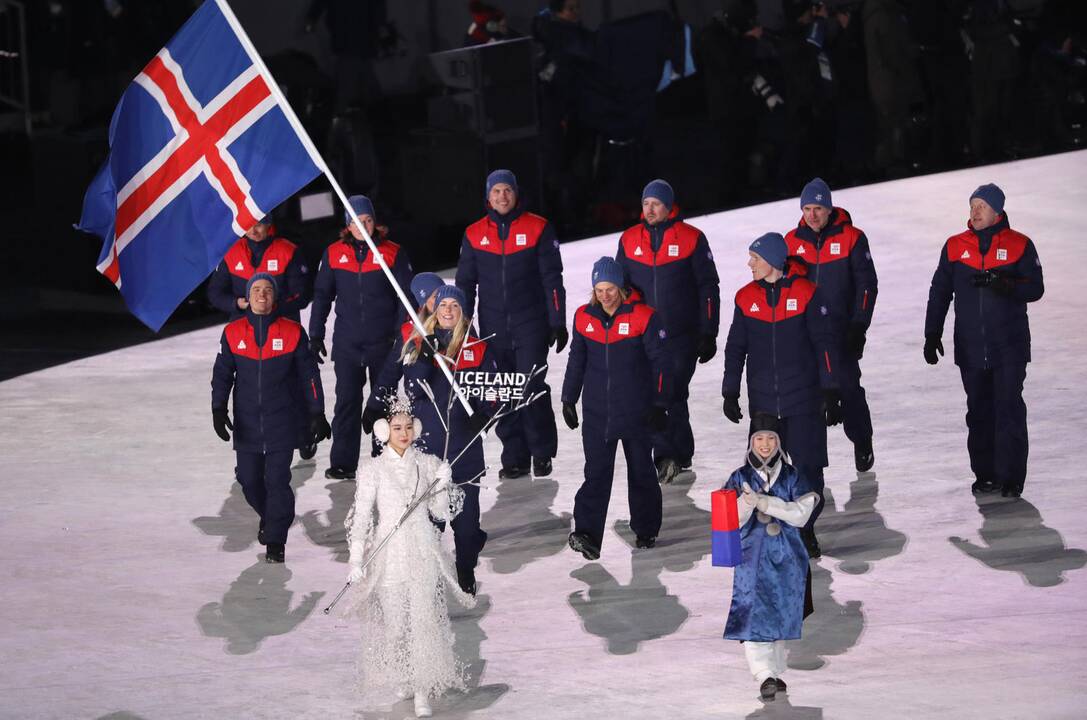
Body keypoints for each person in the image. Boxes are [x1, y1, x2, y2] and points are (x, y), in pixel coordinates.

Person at [344, 398, 475, 718]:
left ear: (415, 429)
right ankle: (405, 675)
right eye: (396, 427)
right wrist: (356, 557)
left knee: (423, 620)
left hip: (421, 549)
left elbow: (439, 512)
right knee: (397, 626)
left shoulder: (428, 464)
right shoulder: (372, 470)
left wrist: (443, 484)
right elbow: (362, 516)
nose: (403, 433)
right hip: (389, 554)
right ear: (383, 431)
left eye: (407, 427)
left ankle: (421, 690)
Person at [372, 285, 496, 595]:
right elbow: (404, 385)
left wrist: (487, 412)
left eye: (455, 305)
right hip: (427, 452)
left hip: (464, 451)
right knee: (428, 527)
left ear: (463, 311)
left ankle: (465, 567)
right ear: (436, 310)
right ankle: (428, 579)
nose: (449, 310)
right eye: (444, 305)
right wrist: (425, 358)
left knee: (467, 529)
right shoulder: (416, 343)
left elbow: (494, 388)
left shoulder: (477, 347)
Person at [722, 232, 840, 558]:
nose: (750, 264)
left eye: (754, 259)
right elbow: (736, 347)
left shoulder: (807, 294)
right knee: (762, 472)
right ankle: (770, 535)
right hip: (763, 402)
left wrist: (831, 389)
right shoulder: (745, 298)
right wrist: (730, 390)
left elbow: (824, 345)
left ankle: (806, 530)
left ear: (772, 261)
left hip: (803, 400)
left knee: (808, 469)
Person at [923, 184, 1044, 498]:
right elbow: (939, 292)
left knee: (1008, 409)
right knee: (978, 412)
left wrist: (1003, 283)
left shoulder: (1020, 245)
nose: (975, 212)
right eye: (972, 205)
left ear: (997, 211)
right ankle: (986, 474)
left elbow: (1035, 288)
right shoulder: (954, 246)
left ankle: (1012, 477)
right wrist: (931, 333)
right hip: (971, 348)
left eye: (982, 206)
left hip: (1010, 346)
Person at [211, 273, 331, 563]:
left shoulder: (292, 332)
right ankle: (271, 516)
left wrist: (317, 412)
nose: (261, 295)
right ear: (248, 297)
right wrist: (218, 409)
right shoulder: (233, 332)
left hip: (282, 421)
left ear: (274, 297)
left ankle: (276, 540)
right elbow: (222, 374)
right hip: (248, 422)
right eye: (256, 290)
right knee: (250, 480)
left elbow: (309, 376)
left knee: (278, 480)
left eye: (267, 290)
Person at [456, 169, 566, 480]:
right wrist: (462, 327)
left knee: (531, 387)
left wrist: (557, 320)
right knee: (503, 391)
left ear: (516, 193)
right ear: (487, 197)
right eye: (496, 191)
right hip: (494, 327)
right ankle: (515, 457)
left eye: (507, 190)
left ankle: (542, 452)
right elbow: (465, 284)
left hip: (531, 324)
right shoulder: (475, 234)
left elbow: (552, 280)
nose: (502, 196)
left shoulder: (538, 227)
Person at [562, 257, 670, 560]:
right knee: (595, 473)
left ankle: (646, 528)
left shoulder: (644, 317)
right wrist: (569, 398)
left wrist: (660, 403)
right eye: (599, 289)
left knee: (641, 472)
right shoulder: (584, 317)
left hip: (637, 412)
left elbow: (661, 364)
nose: (605, 295)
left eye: (610, 289)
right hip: (597, 414)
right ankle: (587, 534)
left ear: (621, 288)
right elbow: (576, 359)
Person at [616, 179, 720, 483]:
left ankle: (665, 454)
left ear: (668, 206)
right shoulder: (629, 239)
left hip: (681, 335)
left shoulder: (692, 238)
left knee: (667, 390)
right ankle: (678, 451)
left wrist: (708, 330)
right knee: (667, 393)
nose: (650, 209)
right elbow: (623, 289)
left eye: (656, 204)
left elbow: (707, 287)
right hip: (645, 336)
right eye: (646, 203)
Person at [309, 195, 413, 480]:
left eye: (367, 220)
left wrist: (398, 336)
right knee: (347, 401)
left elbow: (406, 299)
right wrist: (316, 335)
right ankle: (343, 462)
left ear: (374, 222)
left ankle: (385, 459)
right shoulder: (333, 254)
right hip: (347, 344)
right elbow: (322, 296)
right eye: (356, 221)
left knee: (384, 402)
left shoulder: (392, 253)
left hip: (384, 344)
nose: (362, 226)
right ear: (347, 225)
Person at [784, 178, 878, 471]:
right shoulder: (791, 241)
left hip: (841, 333)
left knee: (848, 390)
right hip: (805, 336)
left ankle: (862, 440)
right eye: (807, 209)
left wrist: (859, 325)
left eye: (818, 209)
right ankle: (811, 464)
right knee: (807, 398)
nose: (812, 215)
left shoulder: (852, 238)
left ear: (829, 208)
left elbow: (866, 285)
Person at [722, 414, 816, 702]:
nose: (765, 444)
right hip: (751, 558)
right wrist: (745, 504)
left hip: (788, 555)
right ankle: (763, 674)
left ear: (779, 442)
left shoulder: (792, 476)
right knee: (753, 615)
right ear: (751, 441)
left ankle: (774, 670)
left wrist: (766, 503)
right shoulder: (739, 477)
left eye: (771, 438)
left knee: (780, 611)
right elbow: (726, 522)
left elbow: (801, 515)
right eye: (759, 438)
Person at [206, 214, 311, 322]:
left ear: (268, 224)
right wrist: (236, 303)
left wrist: (271, 307)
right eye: (248, 225)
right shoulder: (231, 252)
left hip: (283, 327)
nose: (253, 231)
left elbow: (301, 295)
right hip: (242, 329)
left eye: (258, 225)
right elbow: (215, 293)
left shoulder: (288, 252)